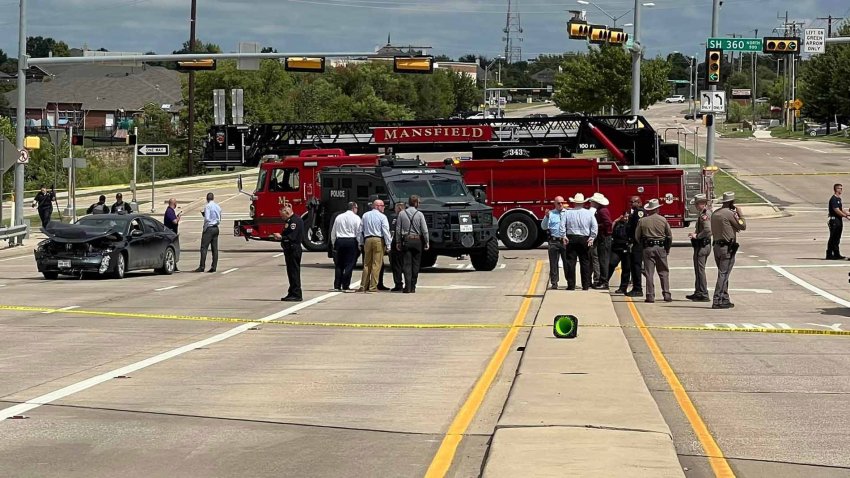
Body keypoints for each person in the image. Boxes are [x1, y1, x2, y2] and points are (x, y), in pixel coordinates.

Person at [711, 192, 746, 309]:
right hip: (726, 248)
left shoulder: (715, 213)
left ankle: (724, 298)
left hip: (716, 246)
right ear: (731, 202)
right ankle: (717, 299)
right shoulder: (729, 214)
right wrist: (740, 214)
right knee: (723, 274)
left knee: (722, 273)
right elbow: (742, 226)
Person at [635, 198, 673, 303]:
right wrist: (667, 248)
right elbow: (669, 236)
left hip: (648, 248)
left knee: (649, 273)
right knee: (663, 272)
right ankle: (666, 294)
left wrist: (643, 245)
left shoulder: (642, 221)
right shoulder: (663, 220)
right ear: (657, 209)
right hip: (661, 248)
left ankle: (650, 295)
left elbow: (637, 236)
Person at [563, 193, 598, 290]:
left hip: (572, 237)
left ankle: (571, 285)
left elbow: (562, 225)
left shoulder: (567, 212)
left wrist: (564, 236)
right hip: (584, 238)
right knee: (585, 262)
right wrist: (592, 237)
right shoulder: (589, 213)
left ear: (574, 203)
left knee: (571, 262)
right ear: (583, 203)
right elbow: (594, 226)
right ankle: (585, 285)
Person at [396, 194, 429, 293]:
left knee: (406, 264)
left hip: (406, 240)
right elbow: (425, 230)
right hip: (417, 240)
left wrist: (398, 241)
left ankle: (407, 286)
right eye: (418, 202)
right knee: (416, 264)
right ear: (415, 203)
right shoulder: (419, 214)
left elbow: (398, 229)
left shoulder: (402, 214)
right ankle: (413, 286)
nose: (419, 204)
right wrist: (427, 242)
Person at [359, 199, 392, 292]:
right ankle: (373, 286)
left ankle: (363, 286)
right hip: (378, 240)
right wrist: (388, 244)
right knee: (376, 264)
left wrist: (360, 242)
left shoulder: (365, 215)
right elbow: (385, 231)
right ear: (377, 206)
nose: (383, 207)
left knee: (366, 264)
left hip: (367, 240)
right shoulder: (382, 217)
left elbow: (361, 230)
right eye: (382, 206)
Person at [274, 205, 304, 302]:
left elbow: (292, 237)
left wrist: (281, 237)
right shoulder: (290, 221)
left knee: (294, 272)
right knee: (291, 272)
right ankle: (292, 292)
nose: (281, 218)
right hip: (289, 249)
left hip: (293, 249)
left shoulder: (294, 221)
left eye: (282, 216)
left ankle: (296, 293)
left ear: (287, 213)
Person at [330, 202, 362, 292]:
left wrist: (333, 243)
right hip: (351, 241)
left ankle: (337, 285)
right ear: (353, 208)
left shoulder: (339, 217)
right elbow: (358, 232)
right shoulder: (356, 218)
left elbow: (333, 231)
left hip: (340, 240)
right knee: (350, 264)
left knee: (339, 264)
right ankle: (346, 285)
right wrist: (360, 244)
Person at [686, 194, 712, 301]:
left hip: (702, 245)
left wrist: (697, 236)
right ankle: (698, 291)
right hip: (705, 245)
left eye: (697, 204)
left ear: (702, 203)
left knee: (700, 270)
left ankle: (703, 293)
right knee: (698, 269)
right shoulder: (706, 213)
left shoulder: (704, 215)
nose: (696, 206)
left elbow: (707, 230)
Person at [541, 195, 568, 289]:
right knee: (553, 263)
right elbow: (544, 227)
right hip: (554, 241)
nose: (560, 204)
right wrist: (546, 217)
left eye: (562, 203)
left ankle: (569, 281)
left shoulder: (568, 213)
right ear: (555, 204)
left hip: (565, 241)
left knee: (567, 263)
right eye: (558, 203)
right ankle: (554, 283)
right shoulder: (551, 214)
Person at [590, 193, 613, 289]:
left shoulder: (602, 211)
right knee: (601, 259)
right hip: (602, 238)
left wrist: (597, 226)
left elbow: (608, 223)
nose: (591, 203)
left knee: (603, 260)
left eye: (592, 201)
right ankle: (601, 280)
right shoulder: (600, 210)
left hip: (604, 238)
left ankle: (604, 282)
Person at [382, 202, 407, 292]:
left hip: (398, 243)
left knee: (397, 265)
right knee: (400, 265)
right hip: (402, 243)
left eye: (396, 208)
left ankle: (399, 283)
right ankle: (403, 284)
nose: (395, 210)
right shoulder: (397, 218)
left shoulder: (397, 218)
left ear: (399, 208)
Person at [194, 192, 221, 273]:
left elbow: (207, 219)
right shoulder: (217, 206)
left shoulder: (208, 206)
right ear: (213, 198)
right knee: (214, 248)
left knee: (204, 248)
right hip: (216, 227)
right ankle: (214, 266)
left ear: (207, 198)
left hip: (209, 228)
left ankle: (202, 266)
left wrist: (205, 229)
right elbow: (219, 217)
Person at [625, 196, 645, 297]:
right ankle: (636, 287)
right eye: (630, 202)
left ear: (639, 203)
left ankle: (638, 289)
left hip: (637, 243)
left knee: (636, 265)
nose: (631, 204)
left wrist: (633, 240)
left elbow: (637, 228)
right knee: (634, 265)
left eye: (633, 202)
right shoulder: (633, 212)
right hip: (634, 242)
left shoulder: (639, 212)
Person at [608, 213, 631, 293]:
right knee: (611, 264)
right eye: (625, 216)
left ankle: (623, 287)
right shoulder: (617, 223)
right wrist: (616, 220)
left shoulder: (631, 225)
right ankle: (605, 281)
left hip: (626, 248)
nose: (626, 218)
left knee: (626, 268)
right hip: (616, 248)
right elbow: (610, 230)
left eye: (628, 217)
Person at [826, 183, 849, 260]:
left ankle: (836, 253)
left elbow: (841, 209)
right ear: (836, 189)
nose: (841, 190)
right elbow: (837, 210)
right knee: (833, 237)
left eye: (841, 188)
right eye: (840, 188)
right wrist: (845, 216)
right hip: (834, 220)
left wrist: (848, 214)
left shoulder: (838, 199)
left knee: (837, 238)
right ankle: (829, 254)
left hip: (839, 220)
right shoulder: (833, 199)